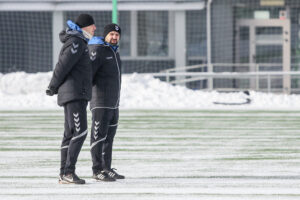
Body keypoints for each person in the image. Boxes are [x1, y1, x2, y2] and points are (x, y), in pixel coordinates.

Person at [46, 14, 96, 184]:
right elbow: (63, 64)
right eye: (92, 26)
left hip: (76, 93)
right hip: (74, 94)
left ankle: (64, 174)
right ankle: (68, 172)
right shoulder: (76, 42)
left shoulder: (79, 41)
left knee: (70, 134)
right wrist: (52, 86)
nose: (94, 29)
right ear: (84, 27)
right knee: (80, 131)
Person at [88, 23, 125, 181]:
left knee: (109, 138)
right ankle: (97, 170)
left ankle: (106, 168)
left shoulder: (114, 52)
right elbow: (89, 75)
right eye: (111, 34)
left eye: (117, 35)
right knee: (98, 137)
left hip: (113, 103)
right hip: (101, 103)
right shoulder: (99, 51)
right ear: (105, 35)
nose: (114, 37)